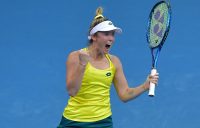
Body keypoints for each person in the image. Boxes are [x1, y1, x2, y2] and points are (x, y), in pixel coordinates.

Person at [57, 6, 159, 128]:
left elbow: (124, 94)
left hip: (103, 122)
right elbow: (72, 91)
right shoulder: (75, 56)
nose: (111, 38)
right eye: (106, 34)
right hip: (73, 121)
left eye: (112, 34)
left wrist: (144, 86)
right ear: (94, 36)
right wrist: (82, 65)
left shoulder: (114, 62)